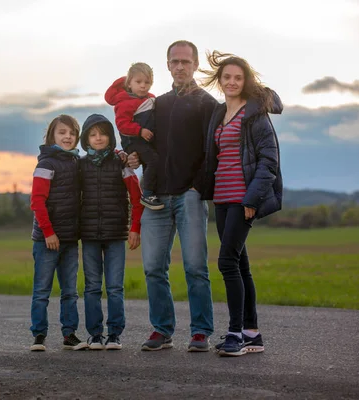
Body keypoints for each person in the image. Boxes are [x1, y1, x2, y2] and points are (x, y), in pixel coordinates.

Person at [128, 40, 217, 352]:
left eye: (186, 61)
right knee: (153, 267)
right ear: (167, 65)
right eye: (175, 61)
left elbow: (212, 151)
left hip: (189, 196)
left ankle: (200, 332)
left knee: (195, 266)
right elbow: (138, 141)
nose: (180, 66)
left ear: (194, 65)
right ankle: (162, 330)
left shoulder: (207, 103)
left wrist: (197, 187)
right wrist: (135, 157)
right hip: (156, 198)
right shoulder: (157, 104)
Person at [199, 51, 283, 356]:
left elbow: (268, 161)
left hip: (242, 200)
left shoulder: (255, 114)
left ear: (245, 81)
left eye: (238, 77)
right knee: (240, 264)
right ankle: (252, 333)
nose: (232, 82)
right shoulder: (218, 114)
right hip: (222, 198)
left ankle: (235, 334)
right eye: (227, 77)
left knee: (226, 263)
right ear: (220, 81)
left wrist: (252, 199)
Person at [78, 114, 144, 350]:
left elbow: (137, 198)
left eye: (102, 133)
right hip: (89, 235)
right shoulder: (81, 165)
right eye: (93, 134)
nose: (98, 138)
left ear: (110, 137)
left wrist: (135, 227)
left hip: (117, 234)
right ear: (86, 138)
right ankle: (95, 334)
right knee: (92, 287)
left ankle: (115, 334)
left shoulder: (121, 163)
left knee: (115, 287)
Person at [29, 114, 88, 352]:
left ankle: (69, 335)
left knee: (70, 291)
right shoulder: (46, 164)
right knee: (42, 290)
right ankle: (39, 336)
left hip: (70, 239)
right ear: (52, 135)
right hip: (47, 239)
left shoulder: (76, 162)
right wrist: (48, 233)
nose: (68, 136)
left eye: (72, 133)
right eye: (62, 132)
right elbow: (37, 201)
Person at [105, 63, 163, 210]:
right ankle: (147, 193)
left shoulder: (149, 98)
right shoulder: (125, 102)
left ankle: (152, 189)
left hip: (144, 140)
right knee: (154, 160)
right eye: (138, 82)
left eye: (147, 82)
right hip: (133, 141)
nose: (143, 86)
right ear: (129, 84)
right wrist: (140, 131)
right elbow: (122, 124)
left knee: (150, 161)